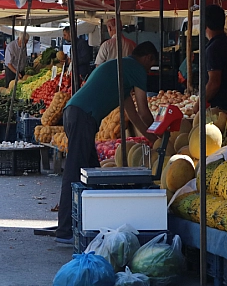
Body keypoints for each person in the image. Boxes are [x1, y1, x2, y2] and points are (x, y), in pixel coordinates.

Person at [55, 42, 159, 243]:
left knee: (92, 172)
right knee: (74, 172)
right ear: (147, 58)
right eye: (151, 65)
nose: (149, 70)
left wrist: (151, 137)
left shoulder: (122, 69)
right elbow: (145, 112)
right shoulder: (136, 69)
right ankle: (65, 230)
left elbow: (133, 115)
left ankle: (90, 222)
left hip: (75, 113)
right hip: (82, 116)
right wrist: (160, 133)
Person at [193, 4, 227, 112]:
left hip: (219, 109)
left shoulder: (212, 49)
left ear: (205, 24)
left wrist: (198, 105)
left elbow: (214, 82)